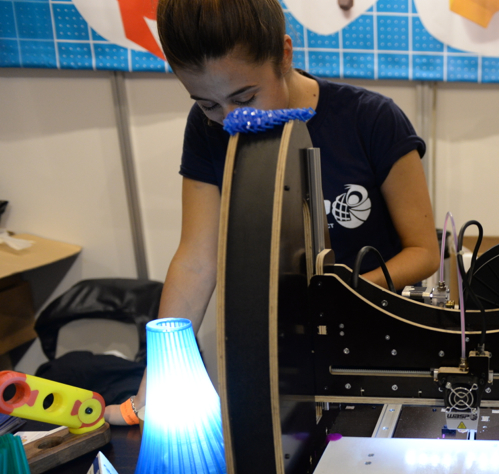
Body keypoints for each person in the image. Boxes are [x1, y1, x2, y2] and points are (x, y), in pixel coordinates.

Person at [107, 0, 438, 425]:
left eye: (245, 97)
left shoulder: (371, 119)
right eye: (208, 104)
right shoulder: (206, 130)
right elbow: (196, 262)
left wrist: (343, 296)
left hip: (379, 349)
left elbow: (423, 252)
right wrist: (154, 384)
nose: (232, 121)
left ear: (284, 54)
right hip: (284, 359)